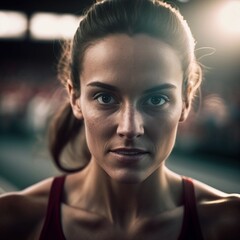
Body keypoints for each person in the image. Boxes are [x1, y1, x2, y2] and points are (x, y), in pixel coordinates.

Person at [0, 0, 239, 239]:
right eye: (105, 98)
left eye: (156, 100)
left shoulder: (230, 222)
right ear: (74, 98)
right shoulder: (13, 220)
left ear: (186, 101)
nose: (130, 128)